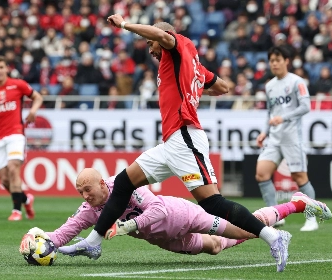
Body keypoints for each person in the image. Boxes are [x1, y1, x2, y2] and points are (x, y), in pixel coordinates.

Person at [61, 15, 294, 272]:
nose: (151, 50)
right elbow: (223, 87)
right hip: (171, 142)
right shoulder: (190, 65)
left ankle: (274, 236)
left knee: (213, 204)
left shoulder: (175, 46)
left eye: (151, 44)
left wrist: (125, 25)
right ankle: (94, 242)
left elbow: (164, 37)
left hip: (184, 137)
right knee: (124, 183)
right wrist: (193, 85)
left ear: (164, 38)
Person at [19, 168, 331, 260]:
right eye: (80, 193)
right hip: (162, 238)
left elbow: (157, 208)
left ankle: (296, 204)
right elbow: (67, 230)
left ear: (102, 183)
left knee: (243, 230)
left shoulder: (124, 184)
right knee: (213, 248)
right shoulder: (90, 209)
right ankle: (282, 216)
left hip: (180, 215)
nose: (85, 197)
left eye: (88, 189)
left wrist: (129, 227)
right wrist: (44, 242)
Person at [255, 46, 318, 231]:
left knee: (299, 177)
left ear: (286, 61)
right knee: (261, 173)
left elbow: (306, 106)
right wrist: (265, 132)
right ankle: (275, 216)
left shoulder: (297, 82)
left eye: (278, 60)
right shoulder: (269, 86)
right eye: (271, 61)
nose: (274, 63)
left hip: (292, 137)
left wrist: (284, 117)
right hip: (274, 138)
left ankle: (312, 218)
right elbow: (271, 112)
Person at [0, 55, 43, 221]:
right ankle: (26, 199)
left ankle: (17, 211)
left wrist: (33, 111)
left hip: (16, 134)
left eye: (1, 67)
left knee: (13, 168)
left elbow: (38, 97)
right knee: (4, 180)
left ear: (7, 68)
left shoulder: (18, 84)